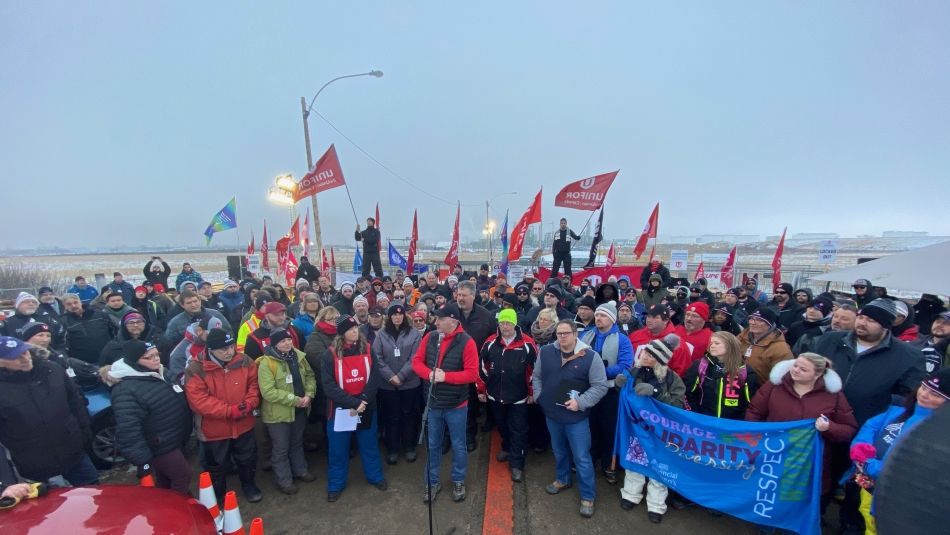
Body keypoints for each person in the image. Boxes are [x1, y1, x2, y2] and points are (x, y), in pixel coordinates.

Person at [812, 298, 927, 534]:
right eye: (862, 317)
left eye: (871, 320)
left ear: (887, 326)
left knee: (857, 486)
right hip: (822, 425)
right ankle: (813, 516)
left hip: (866, 431)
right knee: (819, 477)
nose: (863, 323)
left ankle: (850, 525)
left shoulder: (907, 356)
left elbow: (908, 398)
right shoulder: (831, 340)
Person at [746, 353, 858, 510]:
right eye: (795, 365)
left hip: (807, 463)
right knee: (768, 495)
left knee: (797, 504)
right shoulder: (775, 385)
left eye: (803, 369)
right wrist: (757, 439)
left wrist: (829, 427)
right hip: (773, 455)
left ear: (817, 374)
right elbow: (754, 412)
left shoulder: (834, 396)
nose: (796, 370)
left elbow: (848, 429)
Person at [848, 367, 949, 534]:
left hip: (899, 501)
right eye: (924, 387)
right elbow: (871, 426)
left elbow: (911, 470)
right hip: (870, 490)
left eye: (935, 395)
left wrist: (868, 465)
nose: (924, 394)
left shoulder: (938, 434)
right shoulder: (898, 411)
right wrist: (860, 447)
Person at [533, 319, 608, 518]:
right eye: (559, 333)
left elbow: (600, 386)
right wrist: (540, 396)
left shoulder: (590, 357)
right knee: (558, 450)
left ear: (575, 334)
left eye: (566, 333)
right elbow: (537, 376)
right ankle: (563, 479)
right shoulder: (546, 352)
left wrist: (581, 402)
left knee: (582, 457)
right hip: (552, 414)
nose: (562, 337)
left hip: (576, 418)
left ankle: (588, 495)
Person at [0, 336, 99, 486]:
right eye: (16, 357)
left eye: (25, 352)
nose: (25, 358)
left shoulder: (52, 369)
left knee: (93, 492)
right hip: (34, 463)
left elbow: (75, 400)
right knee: (54, 506)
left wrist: (84, 431)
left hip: (74, 451)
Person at [183, 329, 262, 504]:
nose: (228, 352)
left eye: (231, 346)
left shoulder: (245, 361)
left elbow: (254, 385)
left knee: (247, 457)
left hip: (243, 423)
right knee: (216, 464)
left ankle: (249, 485)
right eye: (223, 349)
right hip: (214, 429)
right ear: (210, 349)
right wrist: (229, 411)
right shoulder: (196, 368)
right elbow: (198, 400)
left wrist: (249, 403)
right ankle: (218, 494)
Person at [412, 304, 479, 504]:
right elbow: (417, 362)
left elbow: (473, 373)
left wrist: (445, 377)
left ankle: (458, 479)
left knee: (459, 445)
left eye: (440, 319)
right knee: (433, 444)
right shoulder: (430, 337)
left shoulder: (467, 342)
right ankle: (431, 482)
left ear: (453, 320)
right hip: (433, 403)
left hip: (456, 405)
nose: (436, 322)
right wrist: (429, 374)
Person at [616, 334, 686, 523]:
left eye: (650, 355)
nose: (645, 356)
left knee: (659, 468)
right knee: (635, 463)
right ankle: (631, 495)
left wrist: (655, 393)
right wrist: (620, 385)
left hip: (660, 433)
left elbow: (678, 404)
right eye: (645, 353)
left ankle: (656, 505)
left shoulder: (672, 378)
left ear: (661, 359)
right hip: (637, 429)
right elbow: (626, 398)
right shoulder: (635, 371)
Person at [109, 341, 192, 494]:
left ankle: (164, 504)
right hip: (159, 444)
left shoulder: (162, 372)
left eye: (156, 355)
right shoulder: (125, 390)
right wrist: (142, 461)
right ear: (134, 361)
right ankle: (178, 509)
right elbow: (129, 429)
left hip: (173, 437)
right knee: (182, 476)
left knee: (165, 478)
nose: (156, 359)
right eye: (149, 357)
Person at [320, 317, 387, 502]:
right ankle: (335, 484)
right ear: (342, 333)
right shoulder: (330, 354)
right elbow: (328, 386)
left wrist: (364, 399)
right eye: (350, 329)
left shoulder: (367, 348)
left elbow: (375, 376)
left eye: (356, 327)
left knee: (369, 445)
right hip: (341, 409)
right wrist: (352, 402)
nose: (355, 331)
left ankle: (375, 477)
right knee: (338, 449)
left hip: (365, 406)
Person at [477, 309, 538, 483]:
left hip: (518, 396)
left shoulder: (527, 344)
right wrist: (481, 389)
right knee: (502, 425)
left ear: (515, 324)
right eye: (502, 323)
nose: (505, 326)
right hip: (495, 394)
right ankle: (506, 446)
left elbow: (535, 370)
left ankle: (517, 463)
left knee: (518, 429)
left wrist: (532, 391)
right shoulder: (490, 343)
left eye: (508, 323)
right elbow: (481, 367)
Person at [577, 302, 632, 485]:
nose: (599, 318)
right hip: (588, 389)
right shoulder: (586, 334)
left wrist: (599, 370)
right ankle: (590, 461)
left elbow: (625, 365)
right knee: (589, 427)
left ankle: (609, 464)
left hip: (610, 391)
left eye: (603, 316)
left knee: (609, 429)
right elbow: (578, 356)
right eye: (597, 315)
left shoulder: (622, 339)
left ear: (612, 319)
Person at [258, 329, 318, 495]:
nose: (287, 343)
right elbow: (268, 391)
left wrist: (309, 394)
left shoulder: (299, 357)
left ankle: (301, 470)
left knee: (297, 442)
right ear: (274, 344)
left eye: (289, 339)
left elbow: (310, 376)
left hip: (299, 410)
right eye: (282, 341)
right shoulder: (266, 363)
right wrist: (295, 400)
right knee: (281, 448)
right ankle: (284, 480)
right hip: (278, 415)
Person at [373, 304, 424, 465]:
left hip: (409, 383)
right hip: (387, 385)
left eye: (400, 314)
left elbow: (415, 357)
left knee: (409, 415)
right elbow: (377, 358)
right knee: (391, 416)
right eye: (394, 315)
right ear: (389, 317)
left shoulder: (414, 334)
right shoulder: (381, 334)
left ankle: (409, 447)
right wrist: (390, 376)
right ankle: (392, 449)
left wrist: (401, 375)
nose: (397, 317)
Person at [455, 281, 498, 452]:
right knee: (449, 404)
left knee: (470, 404)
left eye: (464, 295)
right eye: (458, 295)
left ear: (473, 296)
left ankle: (468, 435)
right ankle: (448, 437)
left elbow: (492, 341)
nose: (460, 298)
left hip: (474, 369)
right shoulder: (450, 312)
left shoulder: (485, 316)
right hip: (451, 367)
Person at [683, 331, 758, 419]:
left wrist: (739, 423)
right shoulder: (700, 366)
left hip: (730, 425)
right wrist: (695, 415)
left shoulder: (745, 371)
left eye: (717, 343)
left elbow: (751, 403)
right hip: (703, 421)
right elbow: (687, 393)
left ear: (730, 346)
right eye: (711, 343)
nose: (712, 346)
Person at [161, 290, 231, 354]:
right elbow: (168, 344)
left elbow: (229, 332)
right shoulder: (175, 323)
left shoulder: (215, 314)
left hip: (219, 353)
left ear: (200, 301)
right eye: (189, 303)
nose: (193, 305)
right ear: (182, 305)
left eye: (195, 301)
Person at [738, 308, 793, 382]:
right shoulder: (741, 338)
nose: (752, 322)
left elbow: (783, 379)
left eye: (759, 320)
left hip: (760, 390)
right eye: (751, 319)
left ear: (769, 325)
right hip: (737, 385)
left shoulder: (781, 349)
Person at [60, 293, 114, 365]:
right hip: (84, 362)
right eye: (69, 304)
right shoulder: (63, 321)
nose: (73, 306)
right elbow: (62, 344)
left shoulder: (99, 314)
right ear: (64, 306)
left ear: (80, 302)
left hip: (108, 357)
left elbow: (114, 331)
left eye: (75, 302)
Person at [0, 292, 66, 350]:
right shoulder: (7, 323)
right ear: (17, 305)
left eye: (34, 302)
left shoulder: (47, 319)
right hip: (20, 357)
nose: (31, 304)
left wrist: (60, 353)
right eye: (26, 302)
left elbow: (60, 338)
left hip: (48, 356)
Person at [670, 302, 713, 375]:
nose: (689, 319)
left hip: (691, 377)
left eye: (695, 316)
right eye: (687, 314)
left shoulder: (711, 338)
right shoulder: (676, 330)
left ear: (704, 319)